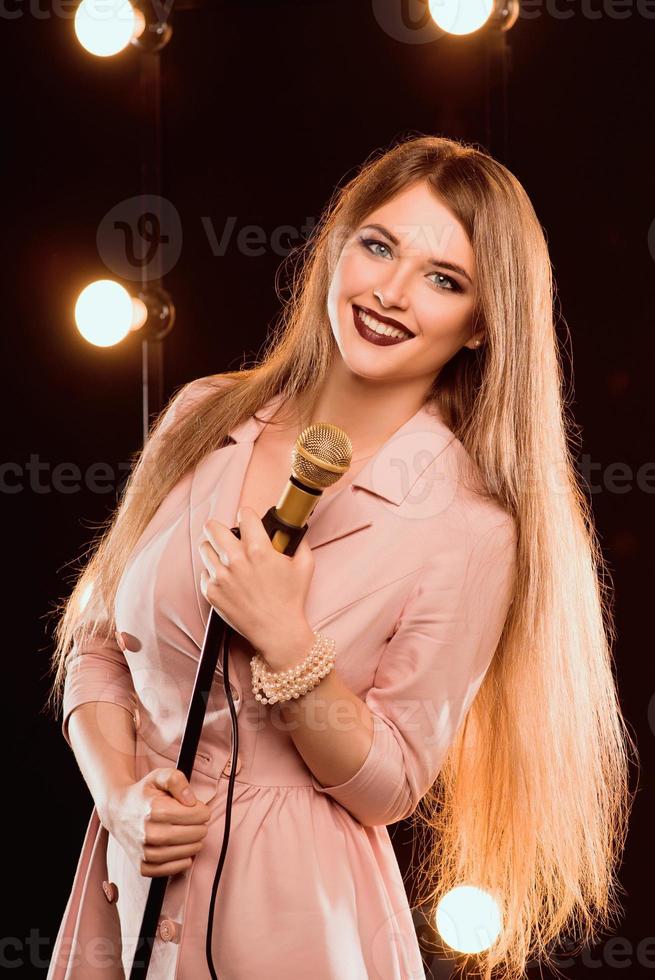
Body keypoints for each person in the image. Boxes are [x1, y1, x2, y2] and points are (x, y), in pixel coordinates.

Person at [45, 134, 635, 980]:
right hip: (126, 885)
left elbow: (389, 782)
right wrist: (119, 795)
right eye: (378, 245)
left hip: (302, 923)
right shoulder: (200, 417)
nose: (390, 293)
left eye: (444, 280)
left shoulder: (469, 527)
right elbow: (99, 645)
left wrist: (288, 645)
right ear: (335, 245)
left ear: (480, 325)